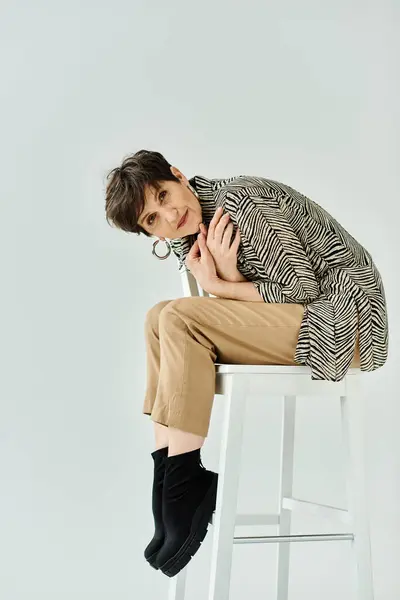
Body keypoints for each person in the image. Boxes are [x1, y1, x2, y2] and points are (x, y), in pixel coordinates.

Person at [104, 149, 389, 578]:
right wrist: (225, 284)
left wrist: (221, 283)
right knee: (158, 318)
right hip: (304, 321)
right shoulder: (191, 237)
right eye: (152, 219)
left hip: (344, 320)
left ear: (178, 176)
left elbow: (302, 290)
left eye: (163, 194)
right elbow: (225, 324)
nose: (169, 214)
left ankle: (184, 482)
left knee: (179, 315)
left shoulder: (240, 204)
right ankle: (168, 477)